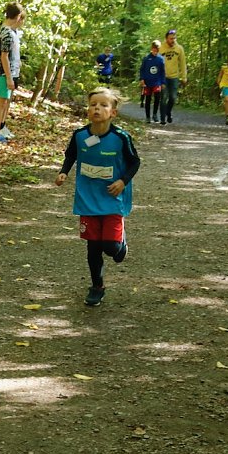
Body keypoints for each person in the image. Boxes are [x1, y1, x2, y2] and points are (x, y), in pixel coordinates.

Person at [55, 87, 141, 307]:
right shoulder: (80, 135)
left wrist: (122, 181)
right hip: (87, 199)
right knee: (93, 247)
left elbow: (134, 162)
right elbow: (71, 155)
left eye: (103, 105)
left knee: (110, 247)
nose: (97, 108)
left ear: (113, 112)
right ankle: (97, 286)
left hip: (112, 197)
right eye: (93, 104)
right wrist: (64, 171)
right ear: (87, 110)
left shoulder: (121, 138)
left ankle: (120, 243)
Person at [0, 1, 25, 144]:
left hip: (10, 72)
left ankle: (1, 127)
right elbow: (4, 57)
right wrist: (9, 78)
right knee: (0, 102)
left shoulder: (10, 32)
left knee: (5, 102)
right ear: (17, 16)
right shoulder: (7, 34)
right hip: (3, 73)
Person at [159, 30, 187, 125]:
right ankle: (162, 118)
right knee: (163, 97)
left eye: (174, 38)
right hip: (163, 77)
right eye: (171, 38)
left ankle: (168, 112)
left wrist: (184, 77)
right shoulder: (161, 48)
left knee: (173, 97)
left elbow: (183, 63)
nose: (173, 40)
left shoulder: (179, 48)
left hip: (174, 77)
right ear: (166, 39)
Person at [139, 40, 166, 123]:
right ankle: (147, 116)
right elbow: (142, 70)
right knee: (148, 99)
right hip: (147, 82)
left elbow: (163, 71)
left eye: (157, 50)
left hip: (157, 81)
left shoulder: (161, 59)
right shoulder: (146, 58)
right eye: (154, 50)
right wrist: (142, 79)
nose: (155, 52)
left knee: (157, 97)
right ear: (152, 49)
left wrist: (163, 82)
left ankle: (154, 114)